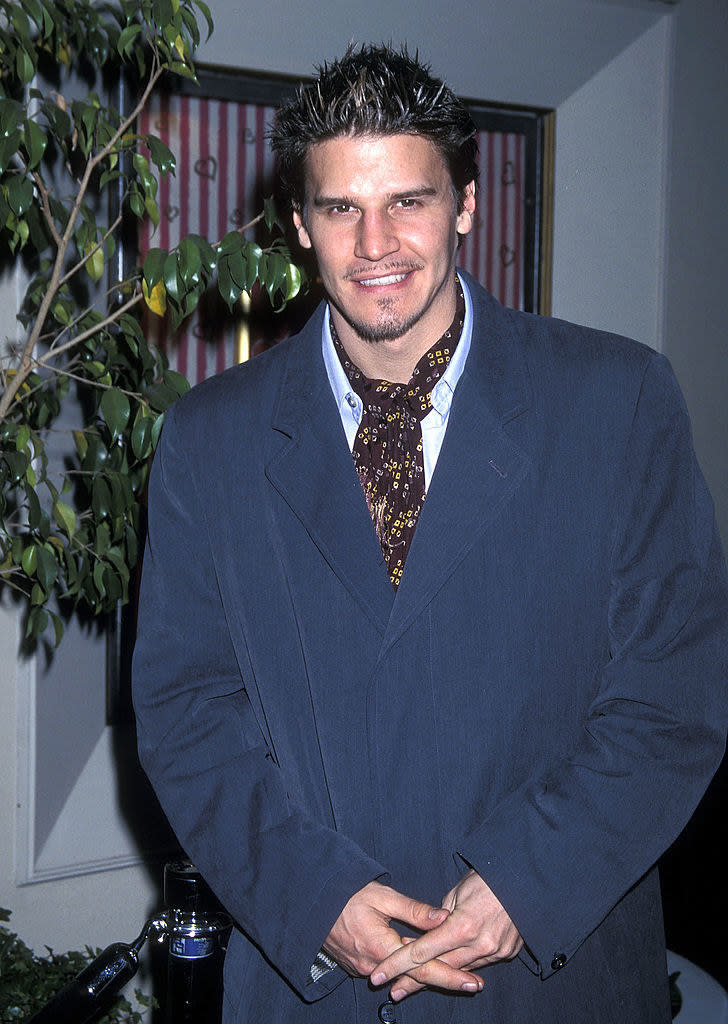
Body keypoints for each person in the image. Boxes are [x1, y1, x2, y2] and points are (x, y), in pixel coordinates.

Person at [132, 44, 728, 1024]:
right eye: (339, 209)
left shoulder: (616, 402)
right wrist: (311, 895)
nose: (375, 243)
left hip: (553, 980)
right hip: (309, 990)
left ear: (463, 204)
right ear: (297, 224)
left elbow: (671, 696)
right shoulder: (208, 441)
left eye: (406, 201)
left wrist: (529, 879)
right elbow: (187, 713)